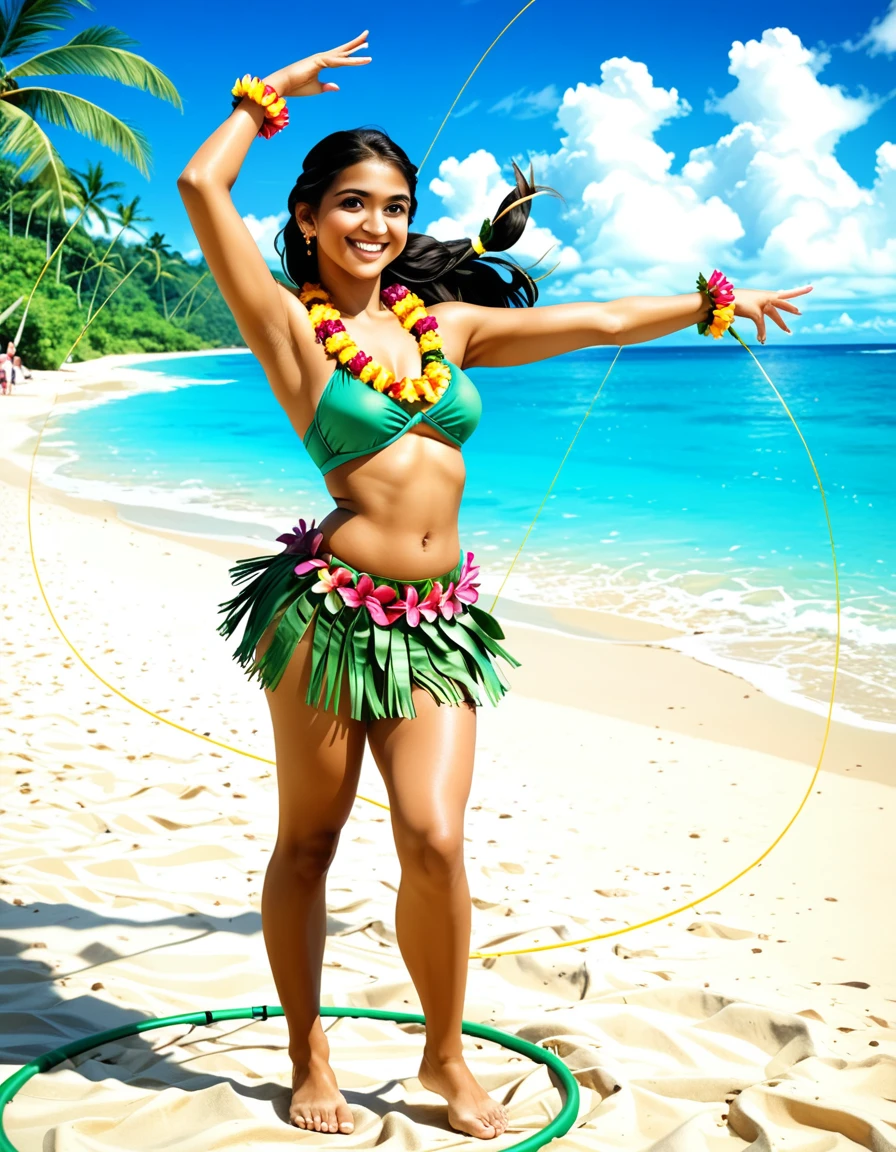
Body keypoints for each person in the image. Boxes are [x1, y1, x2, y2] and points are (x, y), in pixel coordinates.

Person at [177, 31, 812, 1141]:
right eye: (353, 206)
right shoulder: (289, 327)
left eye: (394, 206)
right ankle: (306, 1047)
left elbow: (601, 323)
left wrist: (714, 300)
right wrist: (265, 94)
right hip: (328, 616)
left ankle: (441, 1058)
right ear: (310, 220)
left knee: (431, 836)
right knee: (310, 846)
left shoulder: (447, 328)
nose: (376, 225)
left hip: (435, 625)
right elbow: (199, 182)